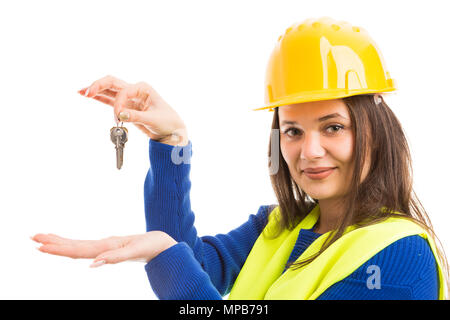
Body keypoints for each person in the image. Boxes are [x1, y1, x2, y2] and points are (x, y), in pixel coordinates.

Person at [32, 17, 449, 300]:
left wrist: (168, 258)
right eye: (292, 131)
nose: (310, 151)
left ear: (376, 128)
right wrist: (169, 142)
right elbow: (193, 266)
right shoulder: (277, 228)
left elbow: (181, 268)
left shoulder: (399, 258)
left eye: (333, 127)